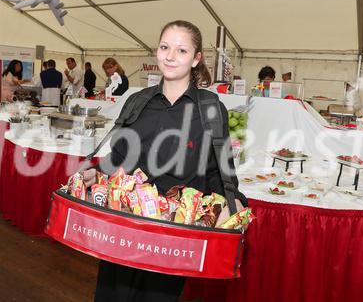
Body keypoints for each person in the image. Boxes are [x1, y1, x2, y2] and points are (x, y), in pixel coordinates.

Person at [83, 20, 247, 302]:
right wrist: (99, 173)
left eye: (181, 50)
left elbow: (217, 168)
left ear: (196, 59)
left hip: (175, 232)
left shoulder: (210, 108)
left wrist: (232, 203)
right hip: (126, 221)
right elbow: (122, 155)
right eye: (165, 47)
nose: (170, 56)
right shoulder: (138, 100)